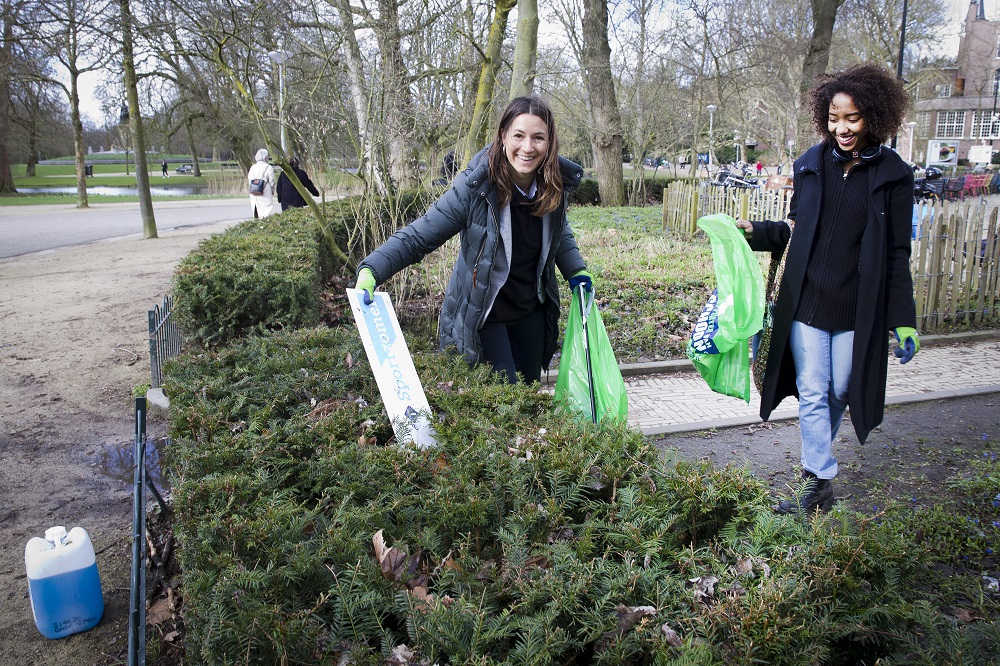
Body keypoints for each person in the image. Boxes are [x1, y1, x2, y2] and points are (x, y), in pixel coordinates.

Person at [735, 63, 918, 515]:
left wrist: (904, 320)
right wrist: (754, 231)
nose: (842, 127)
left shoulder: (894, 175)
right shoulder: (811, 165)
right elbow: (798, 228)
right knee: (814, 389)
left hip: (858, 305)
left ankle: (816, 477)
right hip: (808, 299)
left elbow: (896, 253)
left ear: (873, 116)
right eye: (834, 118)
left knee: (841, 389)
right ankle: (816, 482)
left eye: (852, 118)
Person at [354, 95, 593, 385]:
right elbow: (419, 236)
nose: (527, 148)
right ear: (503, 136)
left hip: (531, 312)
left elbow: (559, 231)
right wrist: (372, 270)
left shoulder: (553, 184)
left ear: (550, 142)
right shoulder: (475, 187)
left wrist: (576, 271)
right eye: (519, 135)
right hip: (485, 315)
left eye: (538, 138)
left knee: (528, 397)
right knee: (504, 397)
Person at [247, 148, 277, 218]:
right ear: (266, 157)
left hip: (254, 191)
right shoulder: (268, 167)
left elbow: (250, 179)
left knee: (256, 209)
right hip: (265, 191)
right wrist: (272, 189)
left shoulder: (253, 167)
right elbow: (272, 180)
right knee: (266, 210)